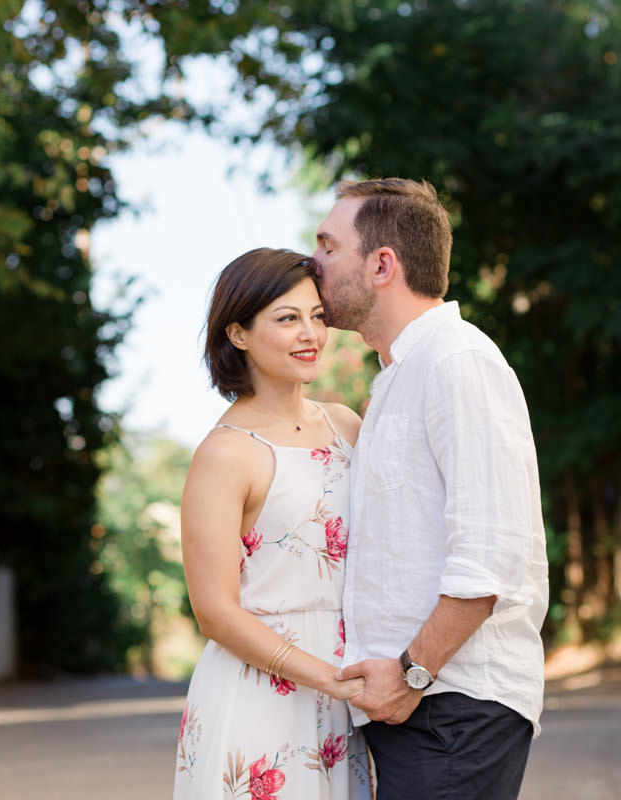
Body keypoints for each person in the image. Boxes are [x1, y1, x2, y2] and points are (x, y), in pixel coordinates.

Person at [313, 178, 549, 799]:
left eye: (327, 247)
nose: (314, 264)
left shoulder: (456, 361)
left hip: (452, 704)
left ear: (382, 264)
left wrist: (411, 673)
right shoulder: (398, 377)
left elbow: (489, 554)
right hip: (419, 705)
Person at [174, 247, 372, 800]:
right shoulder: (225, 453)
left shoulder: (345, 426)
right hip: (258, 694)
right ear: (238, 334)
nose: (310, 333)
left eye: (317, 316)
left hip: (346, 696)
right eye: (288, 319)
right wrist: (320, 674)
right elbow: (214, 611)